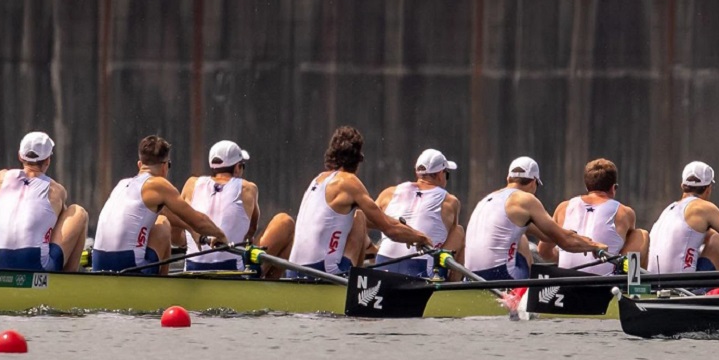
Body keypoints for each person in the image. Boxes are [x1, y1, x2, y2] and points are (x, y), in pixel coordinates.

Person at [259, 126, 432, 278]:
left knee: (358, 217)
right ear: (358, 158)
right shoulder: (349, 182)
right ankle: (354, 286)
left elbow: (381, 221)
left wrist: (409, 232)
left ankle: (369, 251)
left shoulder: (318, 179)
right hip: (322, 273)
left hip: (294, 271)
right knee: (358, 218)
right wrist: (421, 237)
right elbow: (389, 229)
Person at [92, 135, 228, 275]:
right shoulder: (159, 184)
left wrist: (190, 229)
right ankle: (162, 289)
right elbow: (198, 220)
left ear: (140, 165)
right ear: (164, 166)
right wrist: (220, 234)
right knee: (162, 224)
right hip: (127, 266)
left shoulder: (122, 184)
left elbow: (166, 212)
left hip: (98, 262)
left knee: (159, 218)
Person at [465, 156, 608, 281]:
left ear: (508, 178)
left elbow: (549, 237)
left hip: (470, 276)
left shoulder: (488, 199)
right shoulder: (525, 199)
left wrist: (578, 239)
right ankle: (524, 295)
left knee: (519, 234)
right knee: (523, 241)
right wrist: (595, 246)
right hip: (499, 277)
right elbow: (564, 242)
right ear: (534, 182)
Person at [0, 131, 89, 272]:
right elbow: (58, 234)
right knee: (79, 213)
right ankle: (68, 282)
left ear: (20, 156)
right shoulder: (56, 191)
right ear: (48, 160)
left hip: (0, 261)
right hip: (36, 265)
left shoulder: (0, 178)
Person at [537, 158, 649, 274]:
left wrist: (566, 257)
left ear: (587, 187)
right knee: (641, 235)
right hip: (602, 288)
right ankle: (636, 288)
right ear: (613, 188)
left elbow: (543, 251)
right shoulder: (624, 212)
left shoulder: (563, 208)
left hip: (566, 284)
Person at [373, 148, 465, 278]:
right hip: (419, 271)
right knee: (459, 232)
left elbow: (367, 220)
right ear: (440, 174)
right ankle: (452, 289)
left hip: (382, 265)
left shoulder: (388, 193)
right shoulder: (450, 201)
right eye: (447, 174)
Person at [177, 140, 260, 273]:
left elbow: (176, 228)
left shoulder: (191, 184)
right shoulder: (248, 189)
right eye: (242, 166)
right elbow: (251, 232)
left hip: (193, 268)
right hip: (231, 271)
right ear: (237, 167)